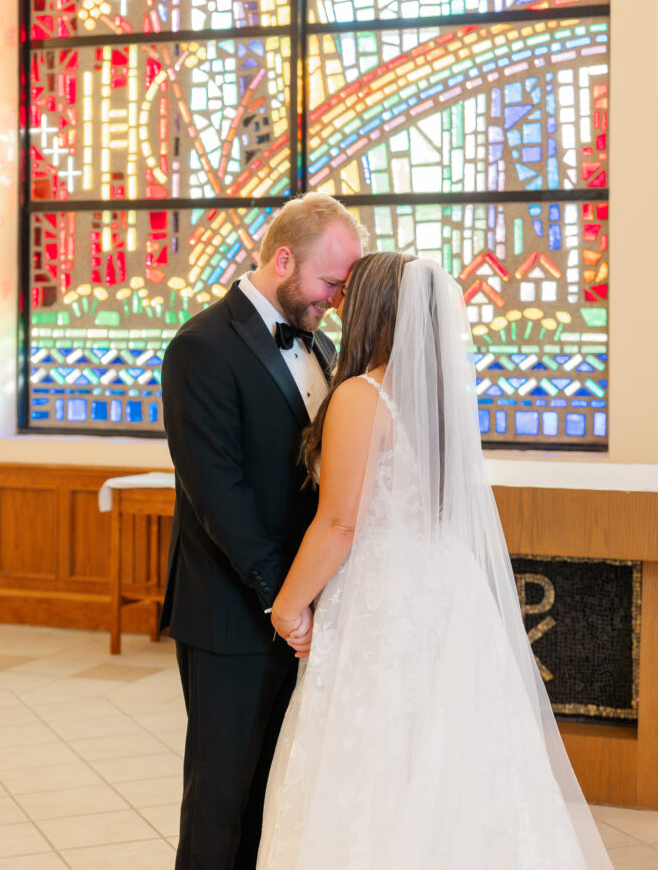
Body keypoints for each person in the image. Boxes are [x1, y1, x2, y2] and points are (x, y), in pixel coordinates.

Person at [258, 253, 613, 870]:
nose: (338, 305)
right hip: (447, 591)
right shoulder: (439, 401)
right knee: (455, 756)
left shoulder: (363, 397)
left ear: (373, 309)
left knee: (379, 758)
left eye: (349, 294)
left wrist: (287, 606)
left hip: (385, 598)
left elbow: (341, 524)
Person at [160, 193, 366, 870]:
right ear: (283, 258)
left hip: (301, 605)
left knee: (274, 796)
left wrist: (310, 599)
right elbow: (218, 492)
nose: (335, 299)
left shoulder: (324, 344)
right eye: (329, 282)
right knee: (220, 800)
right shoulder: (200, 347)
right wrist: (282, 599)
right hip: (233, 610)